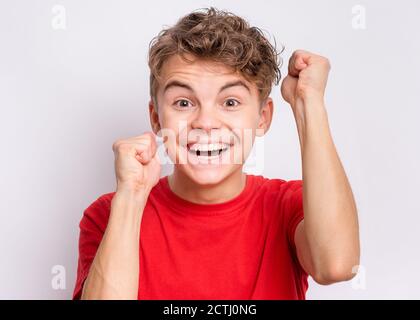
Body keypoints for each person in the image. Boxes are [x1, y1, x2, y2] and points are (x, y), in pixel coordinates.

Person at [73, 7, 360, 300]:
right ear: (157, 119)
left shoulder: (289, 207)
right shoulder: (110, 214)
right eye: (183, 103)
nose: (206, 123)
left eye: (230, 102)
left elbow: (337, 266)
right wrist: (131, 199)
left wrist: (307, 103)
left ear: (262, 118)